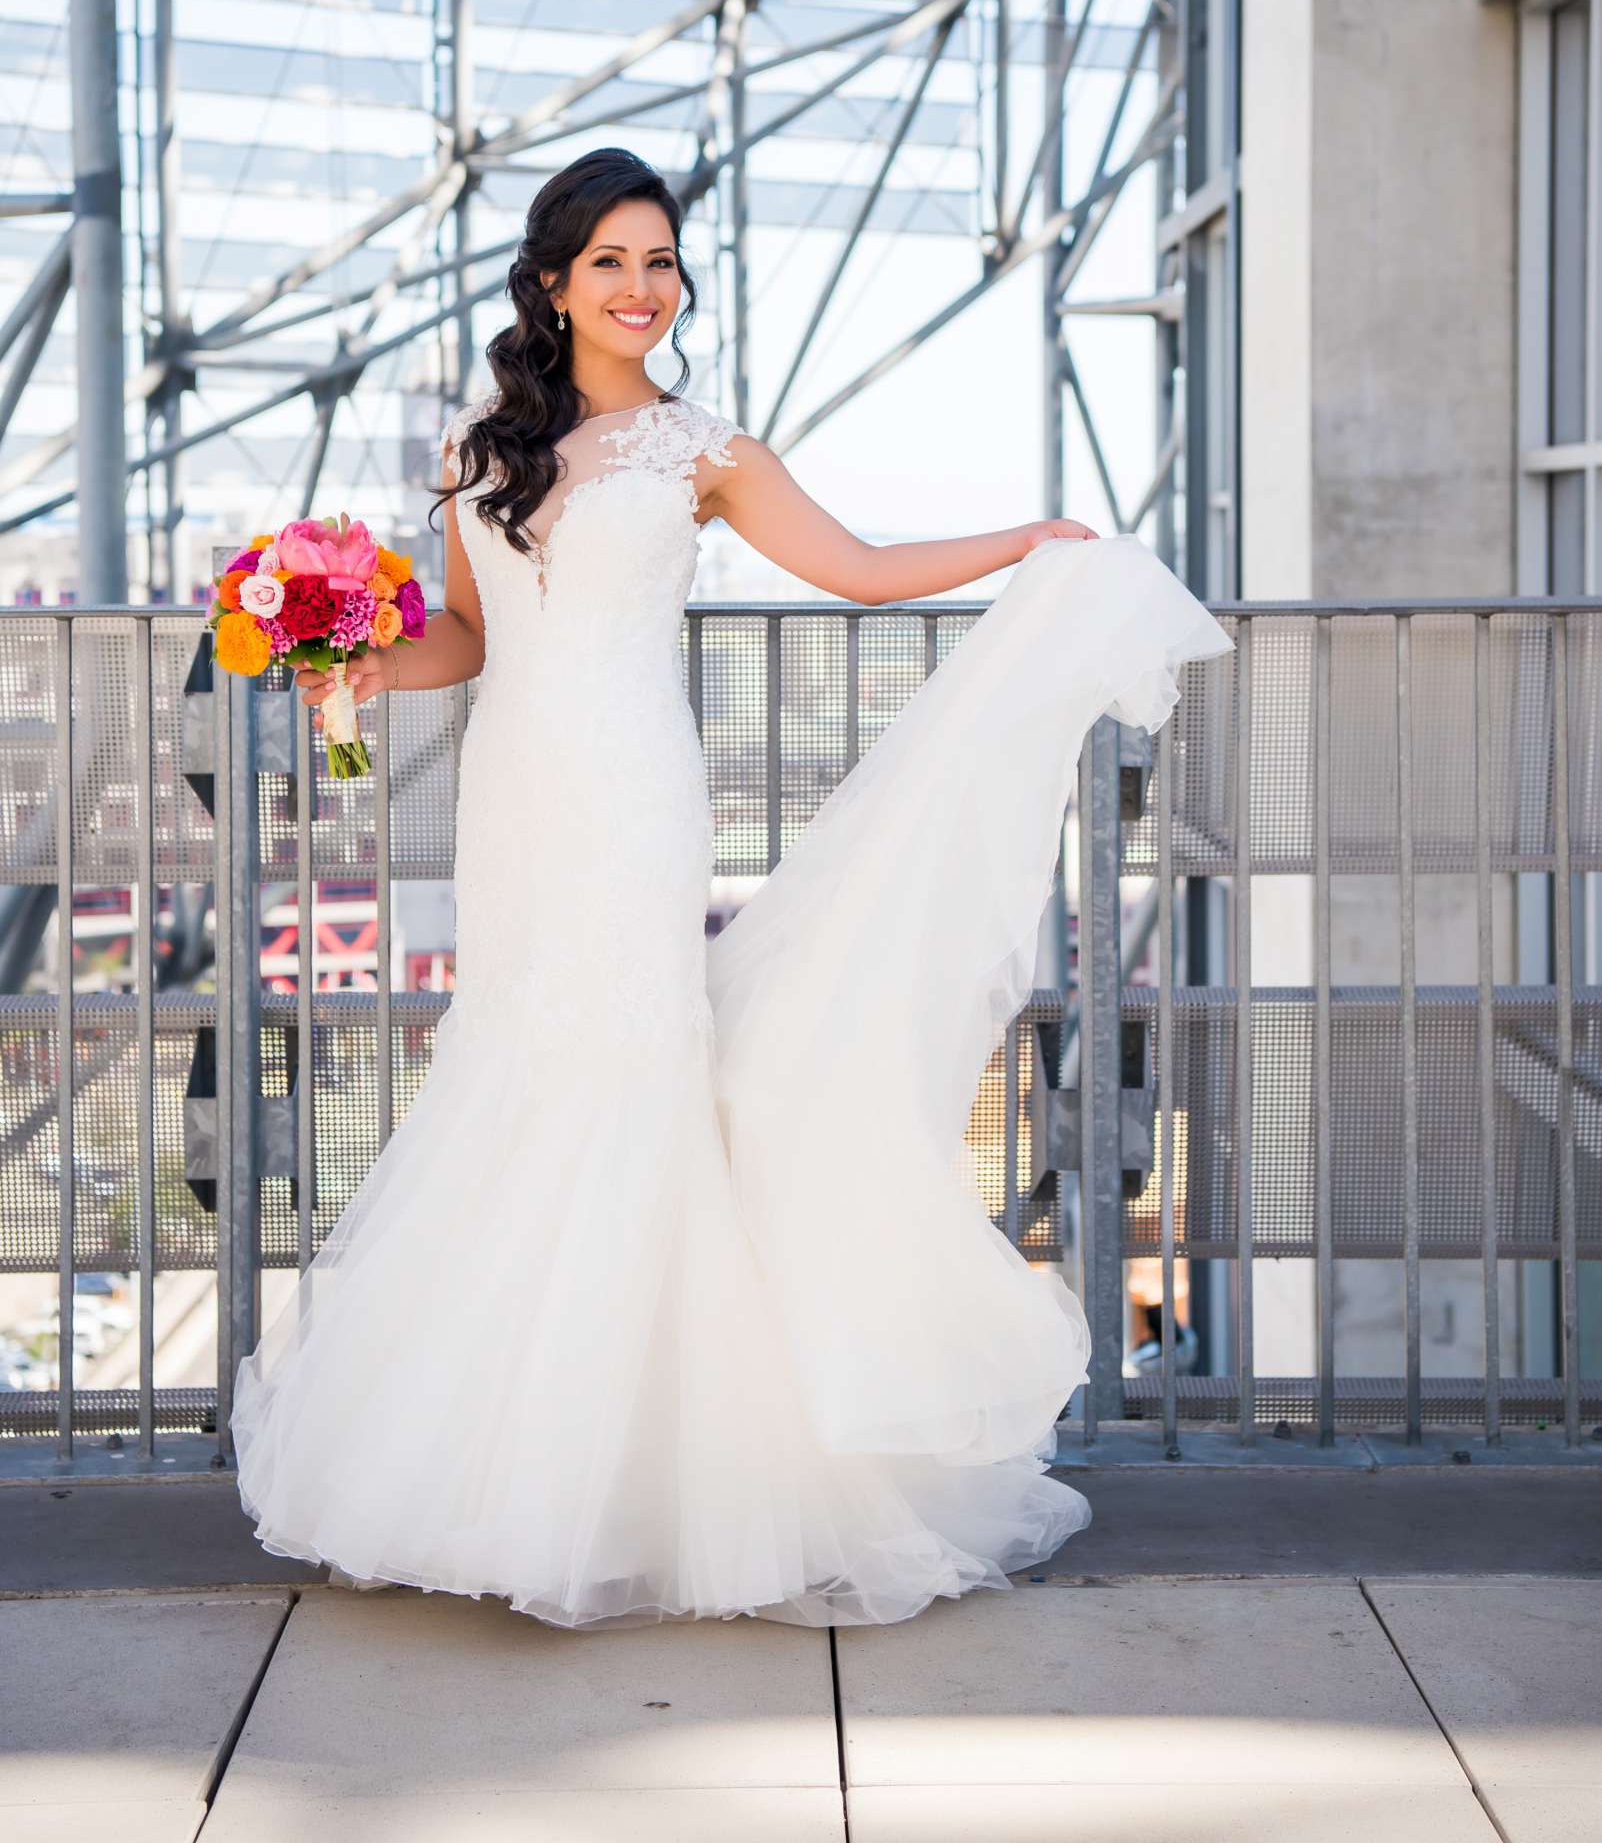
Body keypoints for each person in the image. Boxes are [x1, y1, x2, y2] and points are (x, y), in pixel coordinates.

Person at [231, 146, 1233, 1629]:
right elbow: (467, 626)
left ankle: (639, 1487)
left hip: (634, 796)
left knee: (630, 1078)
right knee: (514, 1073)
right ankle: (502, 1467)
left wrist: (1024, 540)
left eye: (661, 261)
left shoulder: (702, 448)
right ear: (553, 283)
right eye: (610, 264)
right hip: (518, 800)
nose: (641, 289)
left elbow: (864, 568)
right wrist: (364, 655)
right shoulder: (478, 445)